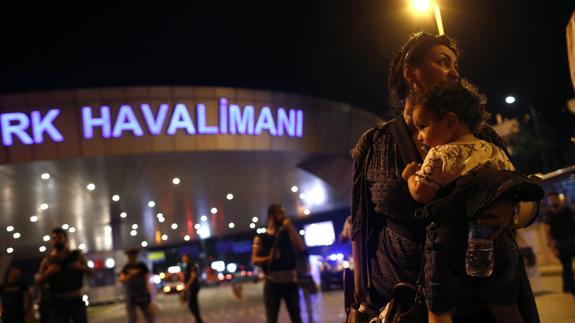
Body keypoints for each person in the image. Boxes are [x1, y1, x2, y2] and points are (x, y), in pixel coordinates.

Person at [350, 32, 540, 323]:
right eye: (442, 62)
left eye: (455, 65)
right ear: (411, 74)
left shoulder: (482, 135)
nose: (454, 72)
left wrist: (510, 212)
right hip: (403, 304)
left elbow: (527, 202)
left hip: (482, 304)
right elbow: (361, 226)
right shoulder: (375, 143)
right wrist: (361, 301)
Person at [401, 81, 523, 323]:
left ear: (450, 121)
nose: (421, 136)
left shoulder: (440, 154)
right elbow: (512, 184)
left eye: (423, 126)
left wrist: (409, 177)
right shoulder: (493, 150)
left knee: (440, 309)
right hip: (494, 240)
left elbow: (421, 194)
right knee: (505, 306)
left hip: (449, 242)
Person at [252, 204, 305, 323]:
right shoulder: (261, 237)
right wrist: (269, 258)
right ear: (271, 215)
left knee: (297, 317)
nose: (282, 216)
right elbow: (254, 259)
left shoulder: (287, 233)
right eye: (279, 213)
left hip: (291, 282)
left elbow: (301, 248)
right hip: (272, 283)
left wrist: (290, 228)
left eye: (283, 213)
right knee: (271, 318)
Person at [36, 227, 92, 323]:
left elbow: (91, 273)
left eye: (59, 237)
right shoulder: (48, 260)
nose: (57, 240)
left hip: (76, 299)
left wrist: (81, 267)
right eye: (54, 238)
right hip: (58, 302)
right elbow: (39, 281)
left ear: (65, 238)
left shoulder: (77, 255)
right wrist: (47, 273)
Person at [543, 191, 575, 296]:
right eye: (550, 199)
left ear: (558, 199)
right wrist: (553, 248)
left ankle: (568, 287)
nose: (553, 201)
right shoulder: (549, 214)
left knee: (567, 267)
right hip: (560, 244)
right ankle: (569, 287)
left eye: (554, 199)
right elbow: (547, 232)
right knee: (567, 267)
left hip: (572, 241)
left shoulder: (567, 210)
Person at [118, 248, 155, 323]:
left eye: (131, 256)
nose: (130, 257)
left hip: (142, 293)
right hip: (131, 294)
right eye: (128, 256)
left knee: (148, 313)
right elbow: (121, 279)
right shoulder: (126, 267)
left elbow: (147, 278)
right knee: (132, 316)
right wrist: (130, 275)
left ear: (135, 256)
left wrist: (149, 290)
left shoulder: (142, 266)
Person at [181, 254, 204, 323]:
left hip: (194, 286)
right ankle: (198, 320)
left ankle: (199, 320)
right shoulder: (188, 265)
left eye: (184, 257)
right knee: (194, 303)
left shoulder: (191, 264)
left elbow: (193, 276)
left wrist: (187, 286)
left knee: (191, 304)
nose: (183, 259)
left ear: (187, 258)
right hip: (192, 286)